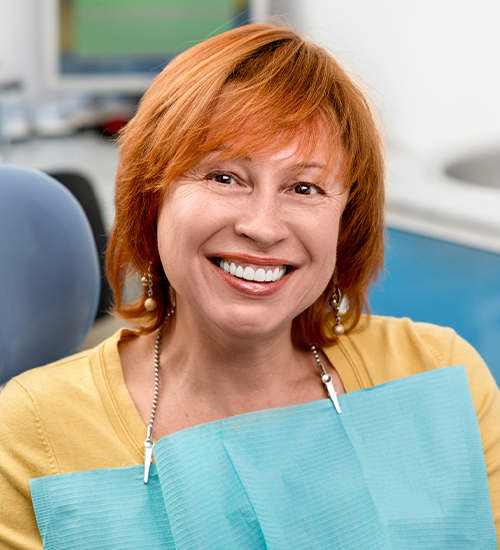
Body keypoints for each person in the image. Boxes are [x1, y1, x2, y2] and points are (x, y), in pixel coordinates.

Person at [1, 23, 499, 549]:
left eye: (304, 187)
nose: (263, 226)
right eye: (224, 177)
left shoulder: (443, 375)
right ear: (153, 200)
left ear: (344, 223)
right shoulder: (32, 433)